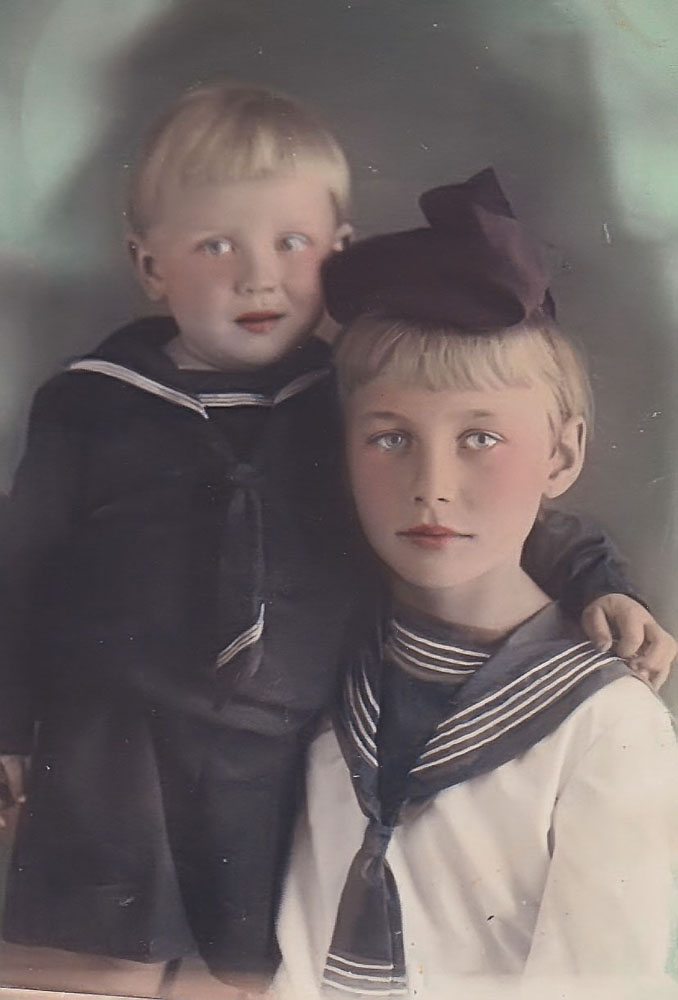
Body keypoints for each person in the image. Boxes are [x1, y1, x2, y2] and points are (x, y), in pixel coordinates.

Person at [0, 83, 671, 998]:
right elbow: (20, 570)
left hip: (267, 744)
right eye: (217, 245)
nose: (258, 278)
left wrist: (598, 582)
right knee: (89, 965)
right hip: (115, 736)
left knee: (242, 970)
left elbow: (510, 519)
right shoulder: (94, 402)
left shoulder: (336, 396)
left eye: (290, 243)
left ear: (337, 250)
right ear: (148, 264)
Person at [273, 169, 678, 999]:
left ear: (561, 454)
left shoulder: (603, 725)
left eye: (480, 439)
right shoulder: (326, 663)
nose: (432, 487)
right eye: (390, 439)